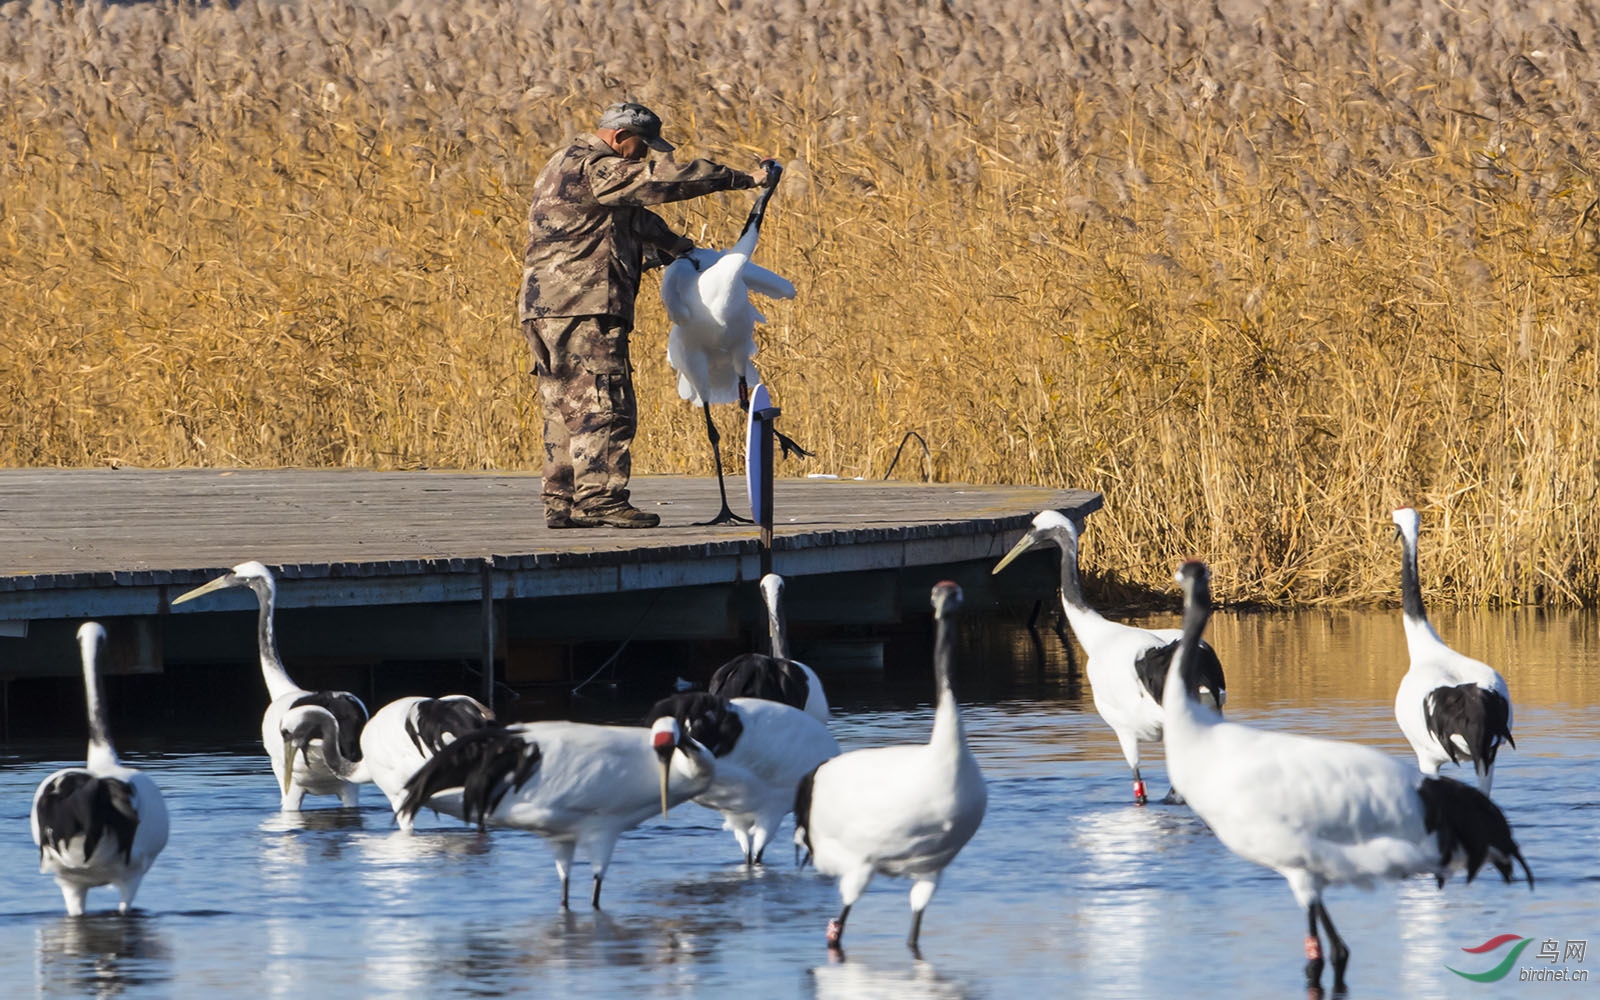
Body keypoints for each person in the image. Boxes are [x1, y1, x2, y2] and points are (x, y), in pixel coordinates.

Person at [518, 102, 772, 529]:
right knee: (604, 401)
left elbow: (629, 218)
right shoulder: (597, 167)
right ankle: (601, 499)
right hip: (585, 306)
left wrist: (677, 247)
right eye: (640, 147)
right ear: (619, 138)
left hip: (545, 310)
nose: (642, 156)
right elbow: (659, 181)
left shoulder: (562, 166)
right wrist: (744, 179)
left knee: (564, 405)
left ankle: (562, 502)